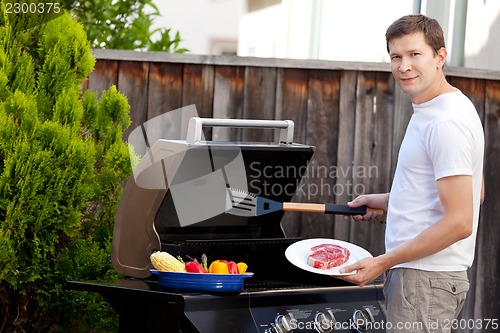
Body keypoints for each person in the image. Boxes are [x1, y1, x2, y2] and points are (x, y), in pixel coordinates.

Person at [338, 14, 485, 332]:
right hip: (424, 280)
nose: (404, 66)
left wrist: (381, 262)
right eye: (396, 57)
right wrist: (390, 201)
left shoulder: (446, 122)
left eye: (415, 54)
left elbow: (460, 221)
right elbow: (476, 190)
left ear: (440, 56)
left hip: (424, 280)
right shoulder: (441, 109)